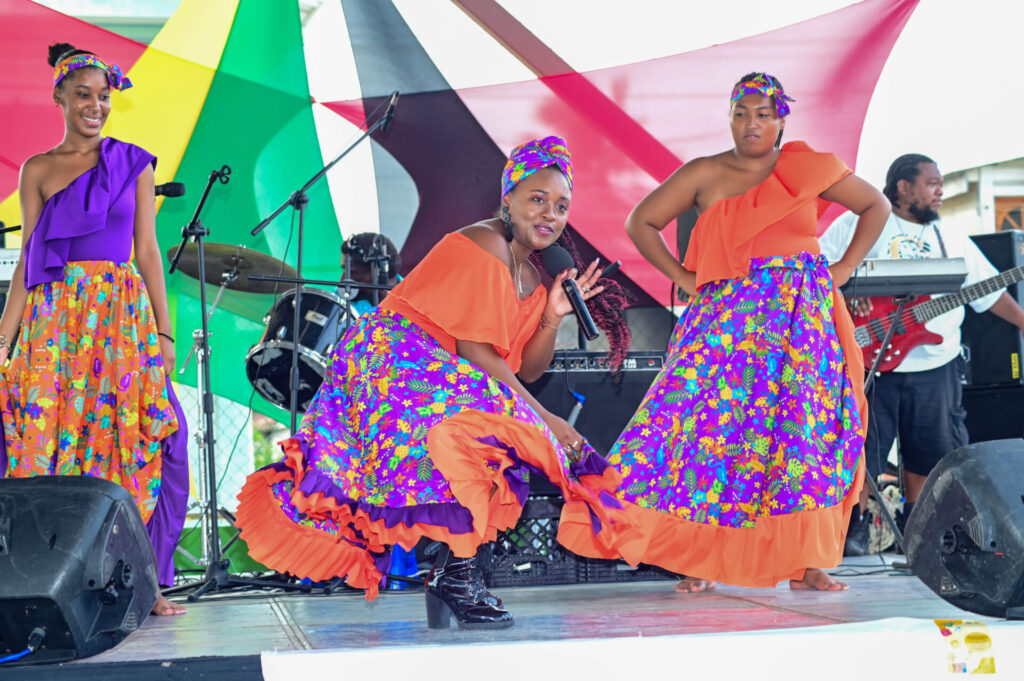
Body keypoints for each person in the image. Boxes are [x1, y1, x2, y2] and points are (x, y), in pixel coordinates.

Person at [235, 136, 638, 629]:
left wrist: (552, 317)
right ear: (507, 197)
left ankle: (454, 574)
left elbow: (527, 370)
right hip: (389, 365)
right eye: (537, 199)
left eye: (561, 206)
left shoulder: (532, 277)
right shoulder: (484, 243)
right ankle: (458, 574)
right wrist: (547, 419)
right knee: (502, 425)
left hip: (441, 375)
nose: (549, 214)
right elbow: (475, 352)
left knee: (491, 437)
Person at [612, 72, 889, 592]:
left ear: (782, 120)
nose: (751, 123)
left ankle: (806, 562)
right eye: (741, 113)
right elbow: (640, 222)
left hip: (799, 322)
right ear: (730, 118)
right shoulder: (705, 171)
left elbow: (877, 205)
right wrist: (683, 277)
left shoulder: (807, 168)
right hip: (724, 328)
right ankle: (700, 560)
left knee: (803, 435)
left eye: (763, 113)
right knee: (706, 432)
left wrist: (845, 268)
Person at [0, 42, 189, 616]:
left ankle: (145, 581)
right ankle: (57, 579)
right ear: (59, 96)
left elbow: (150, 253)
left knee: (157, 436)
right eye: (83, 94)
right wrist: (3, 341)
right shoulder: (37, 169)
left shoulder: (134, 161)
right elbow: (31, 261)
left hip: (120, 321)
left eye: (104, 97)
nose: (95, 106)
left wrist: (163, 332)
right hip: (55, 325)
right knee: (57, 446)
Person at [819, 153, 1024, 544]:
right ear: (903, 187)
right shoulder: (857, 224)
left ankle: (919, 534)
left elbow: (989, 292)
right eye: (932, 184)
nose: (940, 192)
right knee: (860, 450)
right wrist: (847, 297)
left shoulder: (950, 237)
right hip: (869, 362)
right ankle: (851, 533)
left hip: (935, 363)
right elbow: (820, 274)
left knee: (931, 450)